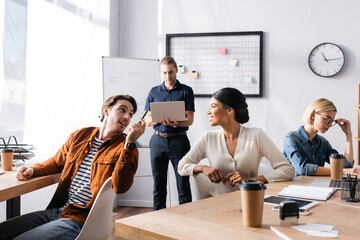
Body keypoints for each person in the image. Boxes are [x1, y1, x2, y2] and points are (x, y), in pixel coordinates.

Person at [0, 95, 146, 240]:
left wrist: (130, 143)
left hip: (81, 219)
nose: (127, 117)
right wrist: (34, 170)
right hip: (59, 210)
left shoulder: (126, 147)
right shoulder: (80, 135)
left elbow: (120, 187)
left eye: (131, 114)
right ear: (106, 111)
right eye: (122, 110)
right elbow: (57, 162)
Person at [177, 88, 294, 196]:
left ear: (229, 110)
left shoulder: (256, 135)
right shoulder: (208, 138)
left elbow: (287, 170)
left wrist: (252, 180)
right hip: (218, 204)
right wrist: (202, 168)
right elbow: (182, 166)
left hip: (250, 200)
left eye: (213, 106)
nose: (208, 112)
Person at [144, 56, 194, 210]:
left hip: (179, 141)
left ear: (176, 70)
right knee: (158, 183)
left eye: (171, 72)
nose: (168, 76)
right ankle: (157, 219)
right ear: (161, 72)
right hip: (157, 141)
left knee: (183, 182)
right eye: (164, 73)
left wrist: (176, 123)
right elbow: (147, 119)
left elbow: (190, 119)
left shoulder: (186, 91)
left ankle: (186, 219)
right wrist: (158, 120)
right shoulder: (154, 91)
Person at [283, 98, 359, 176]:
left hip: (317, 185)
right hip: (297, 186)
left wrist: (348, 134)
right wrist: (341, 171)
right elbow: (302, 169)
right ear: (313, 115)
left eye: (332, 121)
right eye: (327, 119)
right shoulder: (291, 138)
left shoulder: (323, 143)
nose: (329, 125)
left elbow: (346, 166)